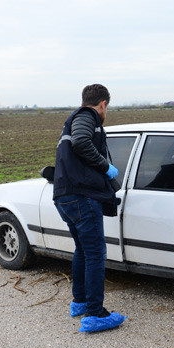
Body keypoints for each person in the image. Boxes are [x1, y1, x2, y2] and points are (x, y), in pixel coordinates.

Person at [53, 83, 126, 333]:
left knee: (83, 250)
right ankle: (95, 314)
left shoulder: (73, 120)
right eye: (107, 108)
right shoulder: (87, 117)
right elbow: (82, 142)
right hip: (82, 197)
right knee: (96, 253)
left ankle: (80, 302)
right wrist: (105, 166)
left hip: (65, 196)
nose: (106, 112)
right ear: (103, 104)